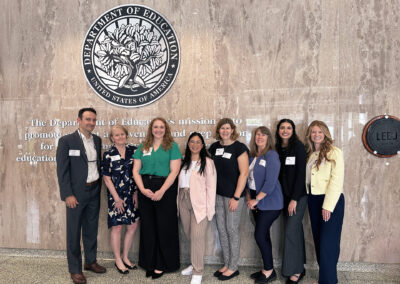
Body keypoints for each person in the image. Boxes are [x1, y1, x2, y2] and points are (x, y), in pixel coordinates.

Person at [56, 108, 106, 284]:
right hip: (76, 194)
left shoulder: (97, 140)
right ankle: (75, 269)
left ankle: (90, 261)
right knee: (74, 231)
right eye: (88, 119)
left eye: (93, 120)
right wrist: (67, 194)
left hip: (94, 191)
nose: (91, 123)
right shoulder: (66, 141)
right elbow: (62, 171)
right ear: (79, 120)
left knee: (91, 229)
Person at [132, 117, 182, 279]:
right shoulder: (143, 146)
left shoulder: (172, 147)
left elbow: (174, 171)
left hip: (165, 188)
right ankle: (149, 262)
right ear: (151, 129)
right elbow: (135, 170)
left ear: (165, 129)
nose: (158, 129)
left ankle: (162, 263)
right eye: (155, 127)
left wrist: (161, 191)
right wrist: (142, 189)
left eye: (161, 127)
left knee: (164, 226)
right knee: (148, 227)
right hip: (145, 188)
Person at [208, 118, 249, 281]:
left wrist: (236, 197)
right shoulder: (214, 147)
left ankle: (234, 267)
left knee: (232, 230)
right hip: (217, 195)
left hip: (233, 197)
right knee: (222, 230)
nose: (225, 131)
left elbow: (244, 173)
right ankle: (226, 263)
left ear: (232, 130)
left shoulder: (239, 148)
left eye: (228, 128)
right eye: (222, 128)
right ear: (218, 131)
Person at [305, 121, 344, 284]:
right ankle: (326, 277)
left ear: (325, 133)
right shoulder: (311, 154)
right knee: (319, 239)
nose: (316, 135)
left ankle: (328, 281)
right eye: (313, 132)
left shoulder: (335, 152)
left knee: (328, 242)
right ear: (309, 135)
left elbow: (336, 181)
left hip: (330, 200)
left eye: (320, 132)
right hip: (313, 199)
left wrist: (327, 206)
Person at [246, 126, 283, 284]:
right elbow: (249, 180)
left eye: (263, 135)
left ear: (269, 138)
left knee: (259, 235)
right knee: (264, 235)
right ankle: (267, 269)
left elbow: (270, 182)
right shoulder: (253, 156)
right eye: (257, 135)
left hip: (271, 202)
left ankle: (269, 271)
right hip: (256, 201)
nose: (259, 137)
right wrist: (249, 197)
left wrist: (257, 199)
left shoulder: (271, 155)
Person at [178, 132, 217, 284]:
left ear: (202, 145)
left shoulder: (207, 162)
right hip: (183, 200)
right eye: (192, 142)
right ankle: (194, 263)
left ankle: (198, 271)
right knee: (189, 235)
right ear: (188, 144)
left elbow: (211, 187)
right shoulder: (184, 161)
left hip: (199, 204)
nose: (195, 144)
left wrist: (210, 209)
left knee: (197, 237)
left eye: (198, 142)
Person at [101, 125, 139, 274]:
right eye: (116, 135)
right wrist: (116, 198)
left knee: (132, 226)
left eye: (122, 134)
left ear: (126, 135)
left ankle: (125, 257)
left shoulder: (134, 151)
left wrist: (136, 193)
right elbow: (107, 178)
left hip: (131, 195)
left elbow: (138, 173)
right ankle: (117, 260)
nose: (120, 137)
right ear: (112, 138)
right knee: (117, 227)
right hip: (115, 196)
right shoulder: (108, 154)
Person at [275, 119, 307, 284]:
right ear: (278, 130)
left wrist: (294, 199)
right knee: (294, 231)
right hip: (284, 197)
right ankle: (300, 266)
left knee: (290, 231)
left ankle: (295, 271)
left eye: (288, 128)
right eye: (282, 128)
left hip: (297, 197)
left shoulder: (298, 147)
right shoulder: (278, 148)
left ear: (293, 130)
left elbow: (301, 174)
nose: (285, 130)